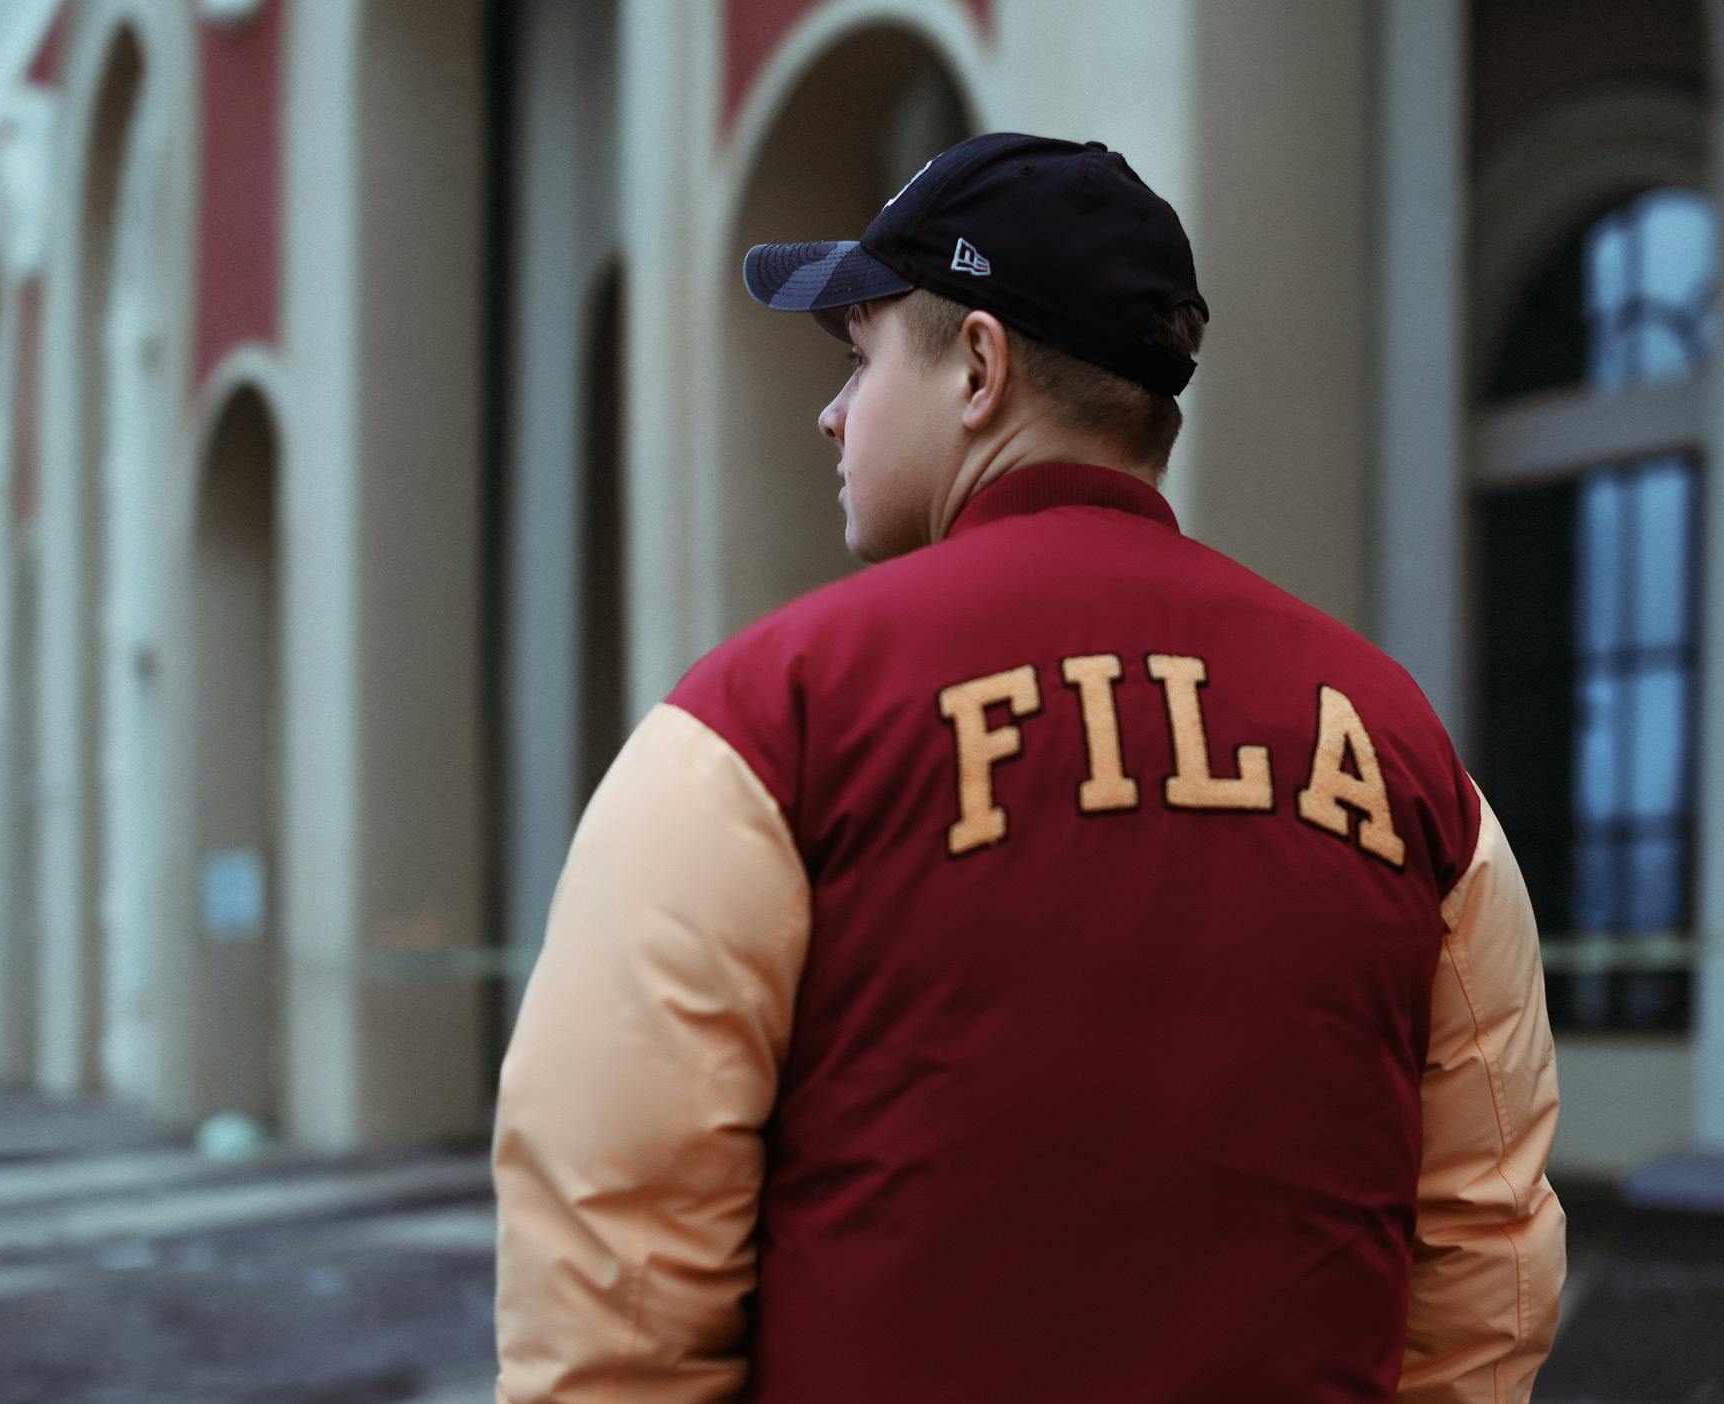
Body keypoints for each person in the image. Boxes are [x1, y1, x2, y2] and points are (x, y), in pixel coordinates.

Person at [491, 131, 1565, 1403]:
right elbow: (1484, 1261)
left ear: (979, 369)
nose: (831, 414)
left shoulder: (763, 725)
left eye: (861, 356)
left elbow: (617, 1270)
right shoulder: (1401, 750)